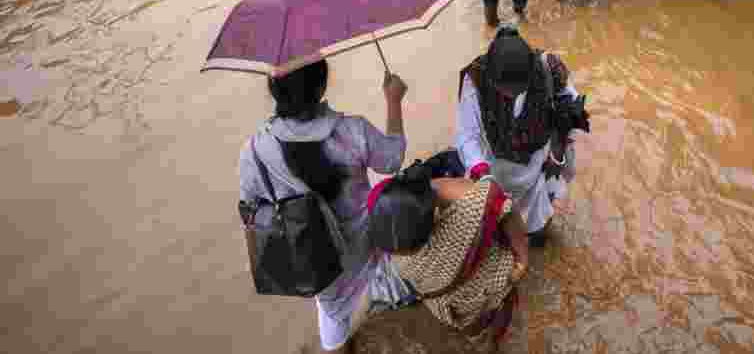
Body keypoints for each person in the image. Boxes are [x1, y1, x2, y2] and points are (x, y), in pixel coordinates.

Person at [239, 61, 413, 353]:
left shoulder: (255, 149)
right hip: (366, 243)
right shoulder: (352, 130)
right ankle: (391, 302)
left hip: (314, 257)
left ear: (274, 91)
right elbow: (392, 159)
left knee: (332, 313)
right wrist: (393, 101)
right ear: (322, 87)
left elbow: (249, 208)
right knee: (380, 275)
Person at [367, 160, 529, 352]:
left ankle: (482, 340)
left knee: (477, 323)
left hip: (454, 302)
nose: (397, 255)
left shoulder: (401, 257)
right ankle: (488, 339)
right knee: (495, 312)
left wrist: (522, 261)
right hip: (493, 278)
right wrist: (521, 261)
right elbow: (508, 214)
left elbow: (505, 212)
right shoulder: (475, 203)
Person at [455, 27, 588, 246]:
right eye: (505, 91)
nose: (513, 96)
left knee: (542, 209)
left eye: (520, 89)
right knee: (498, 215)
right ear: (492, 79)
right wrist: (482, 172)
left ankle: (538, 236)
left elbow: (573, 110)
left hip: (541, 156)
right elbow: (468, 134)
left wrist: (557, 151)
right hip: (496, 161)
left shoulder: (549, 67)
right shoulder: (476, 78)